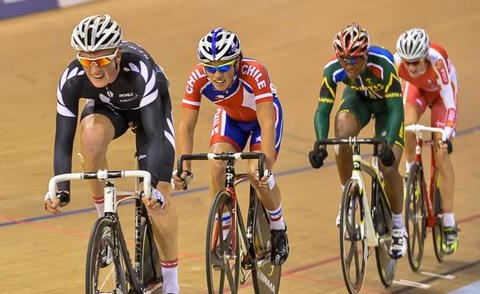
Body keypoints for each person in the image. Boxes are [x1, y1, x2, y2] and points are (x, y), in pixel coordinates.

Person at [44, 14, 181, 294]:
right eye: (86, 59)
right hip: (110, 109)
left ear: (117, 56)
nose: (93, 67)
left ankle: (172, 288)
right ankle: (104, 226)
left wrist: (154, 186)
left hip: (151, 113)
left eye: (102, 59)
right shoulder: (71, 78)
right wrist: (60, 191)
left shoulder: (141, 72)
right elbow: (63, 141)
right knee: (89, 138)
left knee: (158, 200)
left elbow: (154, 133)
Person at [173, 27, 289, 266]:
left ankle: (278, 228)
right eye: (210, 68)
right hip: (231, 119)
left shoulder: (254, 72)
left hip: (261, 119)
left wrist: (264, 167)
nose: (217, 75)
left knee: (255, 173)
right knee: (217, 163)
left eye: (224, 67)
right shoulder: (197, 78)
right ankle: (225, 233)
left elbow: (267, 121)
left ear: (237, 62)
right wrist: (183, 167)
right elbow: (186, 125)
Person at [309, 23, 407, 259]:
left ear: (365, 55)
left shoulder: (383, 65)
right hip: (359, 101)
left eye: (354, 60)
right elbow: (323, 110)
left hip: (386, 108)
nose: (348, 66)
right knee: (341, 133)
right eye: (343, 60)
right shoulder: (333, 70)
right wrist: (321, 142)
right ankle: (349, 197)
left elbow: (396, 110)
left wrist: (388, 143)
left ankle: (398, 226)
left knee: (388, 165)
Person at [394, 28, 459, 254]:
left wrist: (447, 136)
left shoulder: (438, 62)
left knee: (441, 153)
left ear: (426, 57)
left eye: (416, 62)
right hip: (418, 92)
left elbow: (450, 104)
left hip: (442, 95)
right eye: (408, 62)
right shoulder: (397, 64)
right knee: (407, 127)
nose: (411, 67)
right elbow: (392, 103)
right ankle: (411, 170)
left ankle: (449, 221)